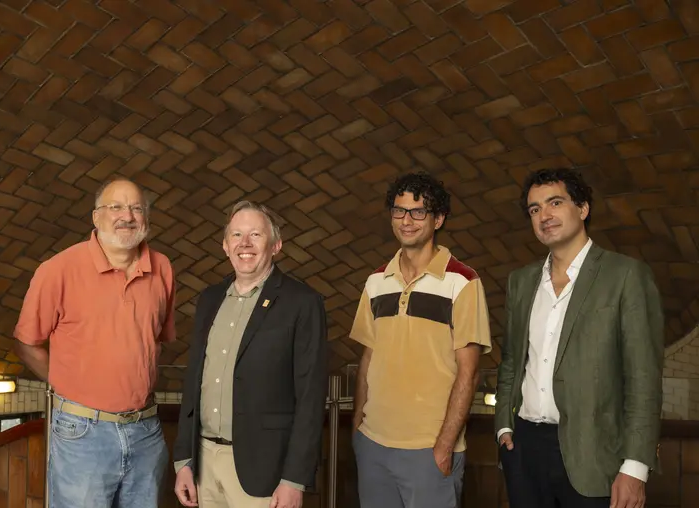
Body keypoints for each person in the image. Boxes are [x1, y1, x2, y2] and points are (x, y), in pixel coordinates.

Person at [494, 167, 664, 507]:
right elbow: (512, 360)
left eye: (555, 203)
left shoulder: (625, 275)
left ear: (583, 208)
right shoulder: (521, 281)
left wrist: (635, 467)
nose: (545, 216)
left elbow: (643, 378)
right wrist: (503, 427)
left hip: (596, 457)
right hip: (524, 450)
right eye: (534, 209)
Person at [14, 178, 176, 508]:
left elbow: (157, 341)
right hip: (82, 434)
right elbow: (26, 342)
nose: (126, 216)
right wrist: (68, 383)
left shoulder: (162, 267)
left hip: (146, 430)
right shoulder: (58, 269)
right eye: (115, 207)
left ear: (146, 217)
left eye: (136, 208)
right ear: (96, 217)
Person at [349, 172, 492, 508]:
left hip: (428, 450)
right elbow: (368, 358)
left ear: (438, 218)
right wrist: (358, 427)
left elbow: (468, 373)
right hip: (373, 446)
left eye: (418, 212)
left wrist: (444, 445)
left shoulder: (463, 282)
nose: (406, 220)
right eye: (399, 211)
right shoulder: (376, 281)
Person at [172, 201, 328, 508]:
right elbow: (193, 385)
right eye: (237, 235)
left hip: (263, 470)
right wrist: (183, 460)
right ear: (225, 246)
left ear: (276, 245)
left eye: (255, 235)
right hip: (203, 464)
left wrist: (294, 478)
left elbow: (311, 396)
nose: (245, 244)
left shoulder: (302, 303)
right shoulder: (209, 300)